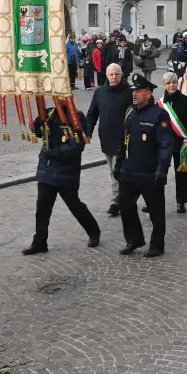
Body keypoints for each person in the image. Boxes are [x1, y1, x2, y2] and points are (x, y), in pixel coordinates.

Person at [22, 106, 102, 255]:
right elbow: (38, 133)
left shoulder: (76, 116)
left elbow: (79, 144)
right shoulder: (49, 112)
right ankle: (39, 242)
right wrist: (38, 121)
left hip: (66, 170)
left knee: (74, 205)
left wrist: (56, 152)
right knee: (42, 209)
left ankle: (94, 231)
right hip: (47, 168)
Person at [114, 73, 174, 257]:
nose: (134, 94)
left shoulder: (159, 114)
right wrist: (118, 164)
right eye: (133, 91)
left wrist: (162, 169)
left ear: (148, 93)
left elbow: (166, 144)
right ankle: (134, 239)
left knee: (156, 210)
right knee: (125, 205)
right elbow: (124, 141)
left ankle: (157, 244)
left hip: (150, 172)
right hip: (130, 170)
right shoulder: (130, 112)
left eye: (138, 91)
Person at [85, 63, 134, 216]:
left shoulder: (130, 92)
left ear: (121, 75)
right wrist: (88, 132)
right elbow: (92, 114)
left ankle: (121, 198)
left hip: (127, 139)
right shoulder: (99, 92)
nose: (114, 77)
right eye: (111, 74)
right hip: (107, 137)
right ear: (106, 75)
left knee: (126, 171)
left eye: (117, 74)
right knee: (113, 171)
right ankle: (117, 198)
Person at [158, 72, 187, 213]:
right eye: (168, 83)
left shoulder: (186, 101)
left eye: (174, 82)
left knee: (182, 175)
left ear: (177, 83)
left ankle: (181, 201)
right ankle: (155, 201)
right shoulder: (160, 104)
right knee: (159, 173)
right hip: (165, 145)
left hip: (182, 144)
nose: (171, 85)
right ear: (164, 85)